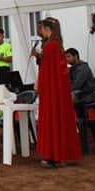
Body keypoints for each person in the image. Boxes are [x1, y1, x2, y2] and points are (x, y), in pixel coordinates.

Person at [34, 17, 82, 168]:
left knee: (52, 120)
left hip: (51, 91)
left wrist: (40, 84)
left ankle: (53, 155)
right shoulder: (57, 45)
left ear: (47, 28)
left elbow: (47, 71)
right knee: (60, 120)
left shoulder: (50, 46)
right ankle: (61, 154)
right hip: (57, 90)